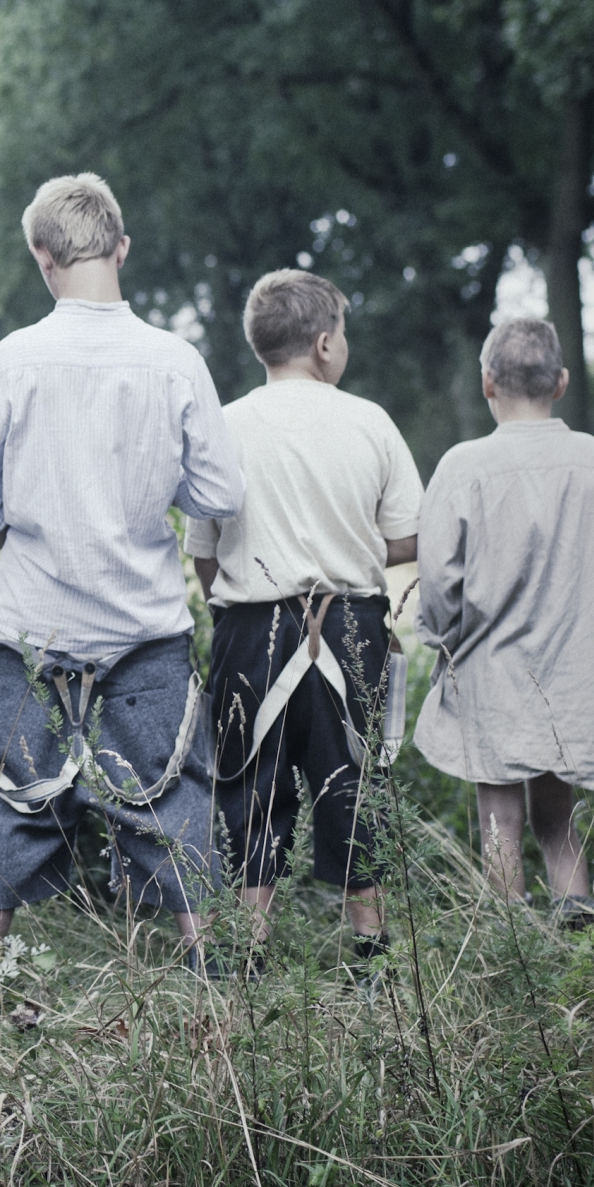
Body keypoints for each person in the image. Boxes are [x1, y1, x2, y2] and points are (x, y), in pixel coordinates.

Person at [0, 173, 242, 979]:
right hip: (144, 629)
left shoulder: (13, 359)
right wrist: (148, 497)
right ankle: (210, 976)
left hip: (30, 628)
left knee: (6, 800)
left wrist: (26, 524)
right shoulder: (174, 361)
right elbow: (221, 493)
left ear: (41, 256)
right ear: (122, 247)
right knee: (173, 799)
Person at [187, 269, 421, 979]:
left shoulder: (223, 423)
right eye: (341, 334)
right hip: (349, 619)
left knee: (248, 783)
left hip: (249, 624)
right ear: (325, 344)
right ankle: (370, 946)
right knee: (353, 779)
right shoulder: (369, 419)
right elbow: (408, 536)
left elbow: (203, 551)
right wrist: (347, 545)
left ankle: (250, 944)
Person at [413, 318, 594, 928]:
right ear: (561, 382)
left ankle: (516, 951)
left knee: (499, 818)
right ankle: (582, 934)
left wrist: (444, 636)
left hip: (492, 669)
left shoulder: (464, 465)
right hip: (573, 667)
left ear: (488, 384)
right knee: (558, 819)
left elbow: (438, 577)